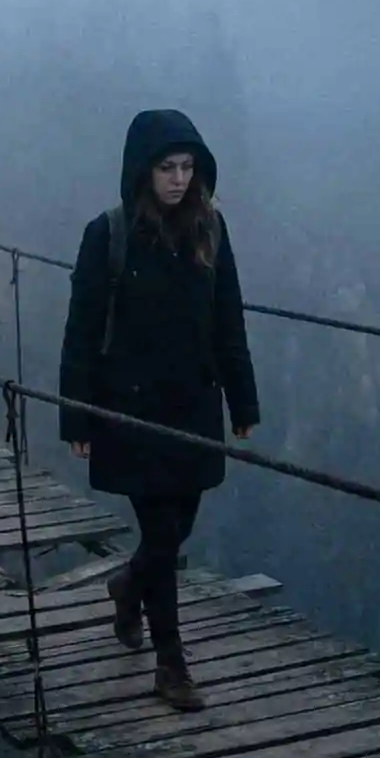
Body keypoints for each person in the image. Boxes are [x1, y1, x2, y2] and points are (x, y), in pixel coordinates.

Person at [58, 109, 261, 712]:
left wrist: (242, 400)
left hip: (195, 406)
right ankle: (171, 665)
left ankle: (128, 587)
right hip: (132, 411)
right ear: (143, 171)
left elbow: (230, 321)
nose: (177, 179)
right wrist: (77, 414)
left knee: (177, 528)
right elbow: (82, 330)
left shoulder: (212, 231)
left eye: (187, 167)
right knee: (163, 531)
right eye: (167, 167)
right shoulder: (110, 235)